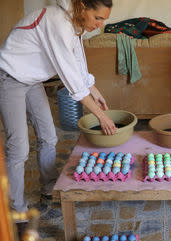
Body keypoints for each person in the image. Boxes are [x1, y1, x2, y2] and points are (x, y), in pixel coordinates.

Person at [0, 0, 117, 217]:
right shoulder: (57, 22)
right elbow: (72, 82)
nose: (100, 25)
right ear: (83, 7)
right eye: (98, 18)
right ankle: (16, 212)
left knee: (49, 136)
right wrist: (102, 116)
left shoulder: (74, 22)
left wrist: (95, 90)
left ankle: (49, 189)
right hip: (10, 77)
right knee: (18, 149)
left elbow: (78, 64)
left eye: (104, 20)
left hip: (32, 80)